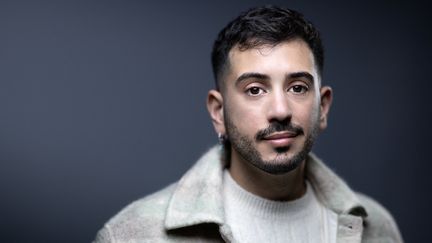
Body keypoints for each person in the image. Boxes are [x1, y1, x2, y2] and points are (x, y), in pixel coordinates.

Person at [94, 5, 403, 243]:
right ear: (218, 112)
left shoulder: (377, 227)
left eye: (297, 87)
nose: (280, 110)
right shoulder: (132, 235)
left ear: (323, 107)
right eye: (255, 90)